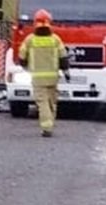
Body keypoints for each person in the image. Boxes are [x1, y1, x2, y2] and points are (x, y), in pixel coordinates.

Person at [17, 9, 70, 137]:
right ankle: (50, 122)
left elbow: (22, 57)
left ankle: (47, 127)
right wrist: (66, 71)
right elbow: (63, 58)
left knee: (42, 103)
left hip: (38, 79)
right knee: (52, 102)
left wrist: (25, 67)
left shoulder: (30, 40)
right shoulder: (55, 39)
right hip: (53, 78)